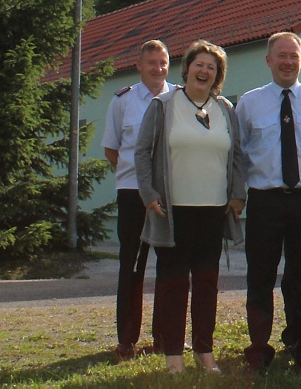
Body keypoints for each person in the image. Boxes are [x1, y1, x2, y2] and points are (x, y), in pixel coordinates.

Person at [134, 40, 247, 374]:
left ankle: (204, 351)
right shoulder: (164, 105)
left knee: (207, 282)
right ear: (187, 69)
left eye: (212, 67)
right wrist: (148, 193)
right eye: (199, 64)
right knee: (172, 283)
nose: (205, 71)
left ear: (218, 75)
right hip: (172, 211)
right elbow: (142, 152)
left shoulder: (225, 109)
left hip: (214, 210)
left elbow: (237, 155)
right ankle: (173, 356)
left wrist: (238, 194)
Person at [236, 32, 301, 373]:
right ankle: (258, 347)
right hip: (265, 201)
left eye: (293, 57)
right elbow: (240, 152)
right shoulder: (250, 103)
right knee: (260, 276)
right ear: (268, 60)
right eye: (281, 56)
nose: (287, 62)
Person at [101, 39, 174, 360]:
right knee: (132, 266)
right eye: (152, 63)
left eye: (163, 62)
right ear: (139, 66)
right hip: (132, 194)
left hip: (170, 194)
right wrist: (137, 179)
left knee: (170, 267)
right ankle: (127, 340)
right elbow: (112, 150)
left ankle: (164, 338)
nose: (158, 68)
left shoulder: (179, 98)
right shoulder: (123, 101)